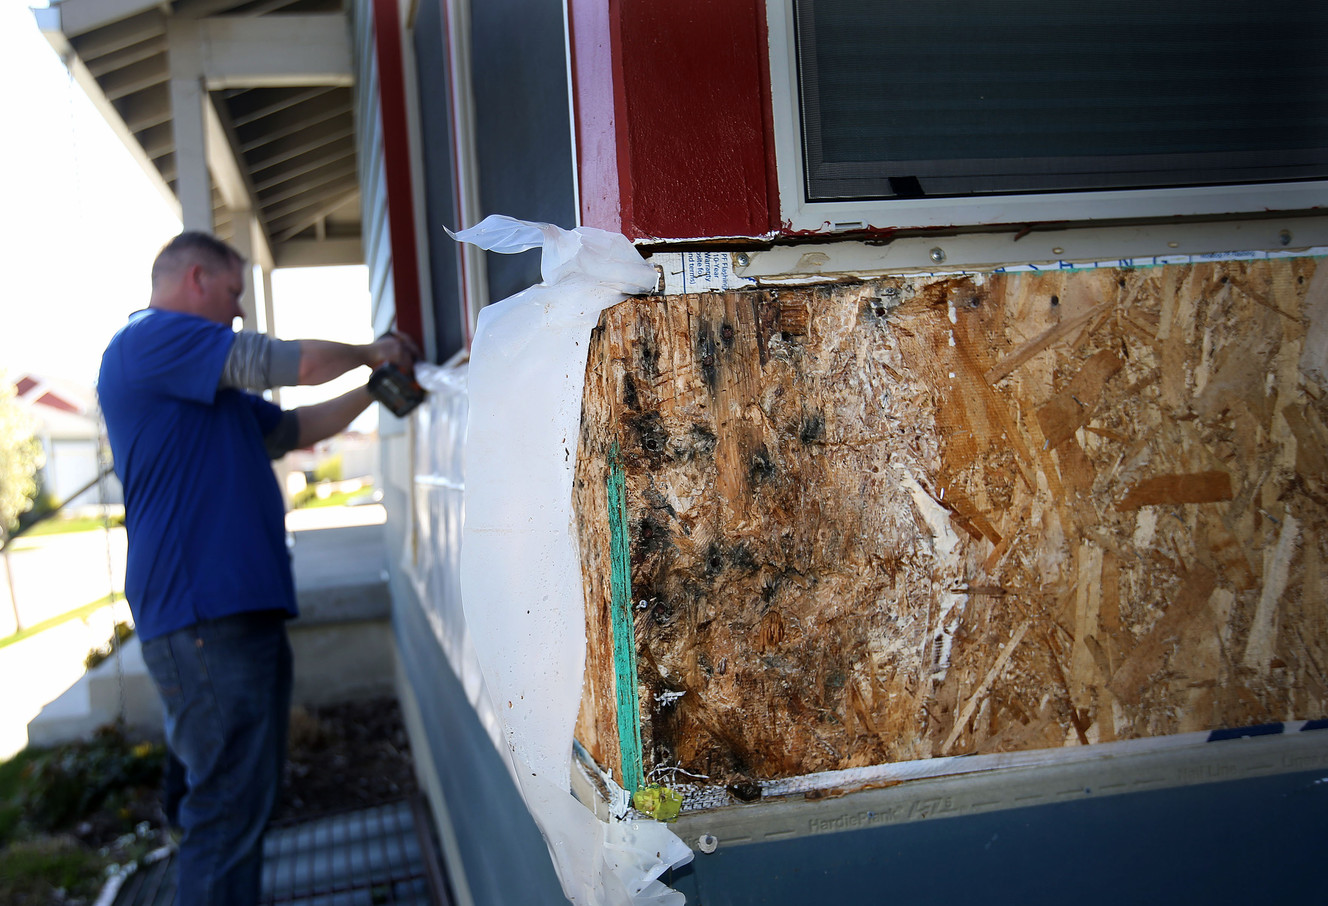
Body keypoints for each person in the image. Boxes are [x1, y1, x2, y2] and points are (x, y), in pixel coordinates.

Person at [97, 231, 418, 905]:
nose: (239, 310)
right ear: (194, 279)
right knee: (225, 815)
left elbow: (292, 431)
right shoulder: (150, 341)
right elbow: (285, 363)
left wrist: (373, 387)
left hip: (234, 615)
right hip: (203, 617)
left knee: (240, 805)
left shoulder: (205, 386)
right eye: (233, 292)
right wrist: (370, 349)